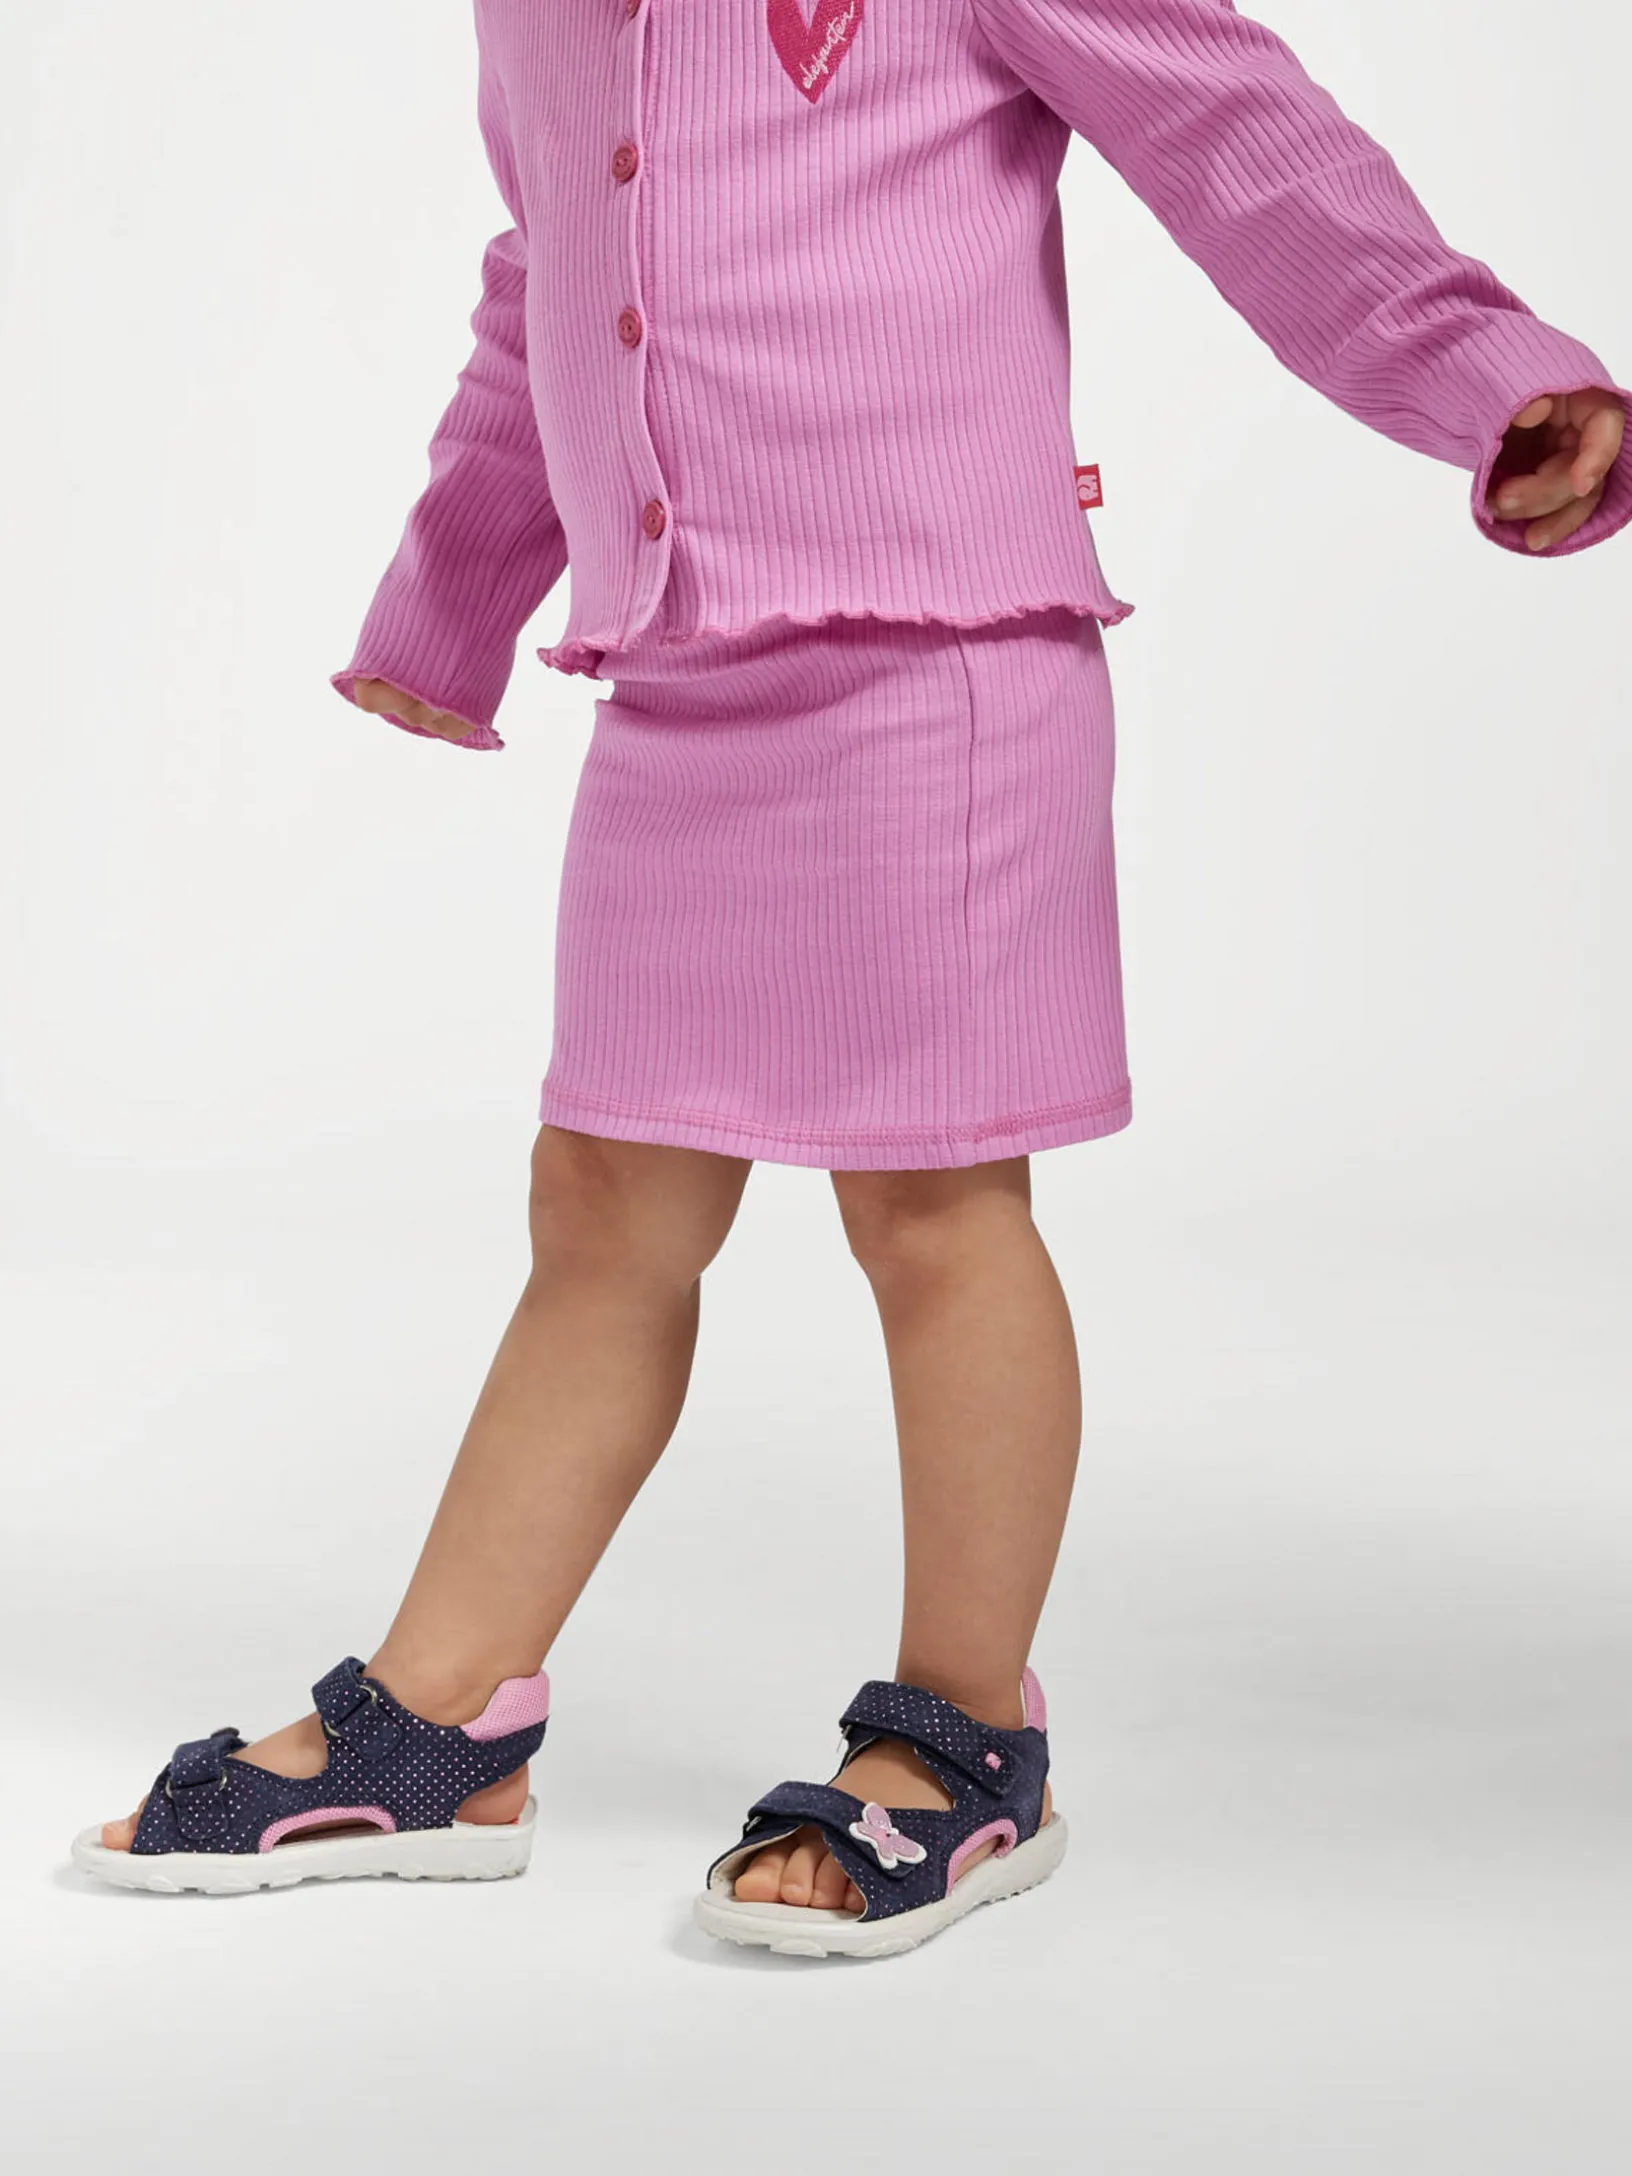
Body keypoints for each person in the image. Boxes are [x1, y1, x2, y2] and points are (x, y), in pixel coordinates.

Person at [72, 0, 1627, 1957]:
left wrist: (1484, 376)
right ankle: (446, 1718)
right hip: (680, 676)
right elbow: (552, 271)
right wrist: (453, 595)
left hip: (940, 656)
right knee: (601, 1196)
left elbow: (1241, 148)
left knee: (934, 1204)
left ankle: (968, 1731)